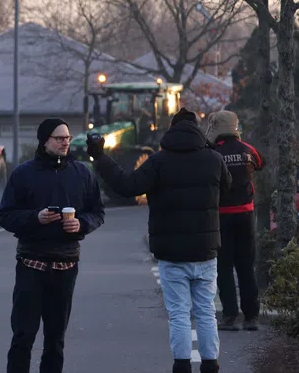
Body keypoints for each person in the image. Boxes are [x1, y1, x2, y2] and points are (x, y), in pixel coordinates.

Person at [87, 108, 231, 373]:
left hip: (171, 253)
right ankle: (210, 364)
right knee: (206, 311)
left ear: (171, 130)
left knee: (178, 313)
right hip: (206, 251)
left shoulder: (158, 162)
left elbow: (127, 186)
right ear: (198, 130)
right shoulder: (213, 159)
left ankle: (182, 365)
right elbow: (227, 186)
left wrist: (100, 157)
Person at [0, 118, 105, 373]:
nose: (65, 142)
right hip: (31, 264)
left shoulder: (82, 173)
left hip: (66, 265)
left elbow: (97, 212)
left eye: (67, 138)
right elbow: (5, 215)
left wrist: (81, 224)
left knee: (55, 340)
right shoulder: (23, 174)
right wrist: (36, 218)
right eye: (59, 138)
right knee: (23, 336)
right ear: (45, 140)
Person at [204, 110, 263, 332]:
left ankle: (230, 317)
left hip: (221, 217)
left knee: (225, 266)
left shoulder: (213, 153)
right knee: (247, 267)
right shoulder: (248, 150)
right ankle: (252, 317)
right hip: (246, 216)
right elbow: (261, 163)